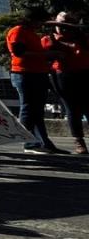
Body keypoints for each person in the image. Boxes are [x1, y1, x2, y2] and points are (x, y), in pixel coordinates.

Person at [7, 6, 63, 154]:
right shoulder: (17, 32)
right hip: (24, 73)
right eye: (40, 21)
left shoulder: (31, 33)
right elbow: (20, 53)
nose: (42, 24)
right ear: (32, 20)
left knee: (37, 110)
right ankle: (29, 143)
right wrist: (47, 55)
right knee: (28, 108)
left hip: (37, 73)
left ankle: (44, 143)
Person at [44, 11, 87, 154]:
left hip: (84, 73)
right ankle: (79, 141)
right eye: (58, 25)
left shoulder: (82, 38)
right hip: (62, 75)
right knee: (72, 108)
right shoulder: (49, 39)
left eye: (65, 25)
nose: (61, 28)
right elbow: (42, 57)